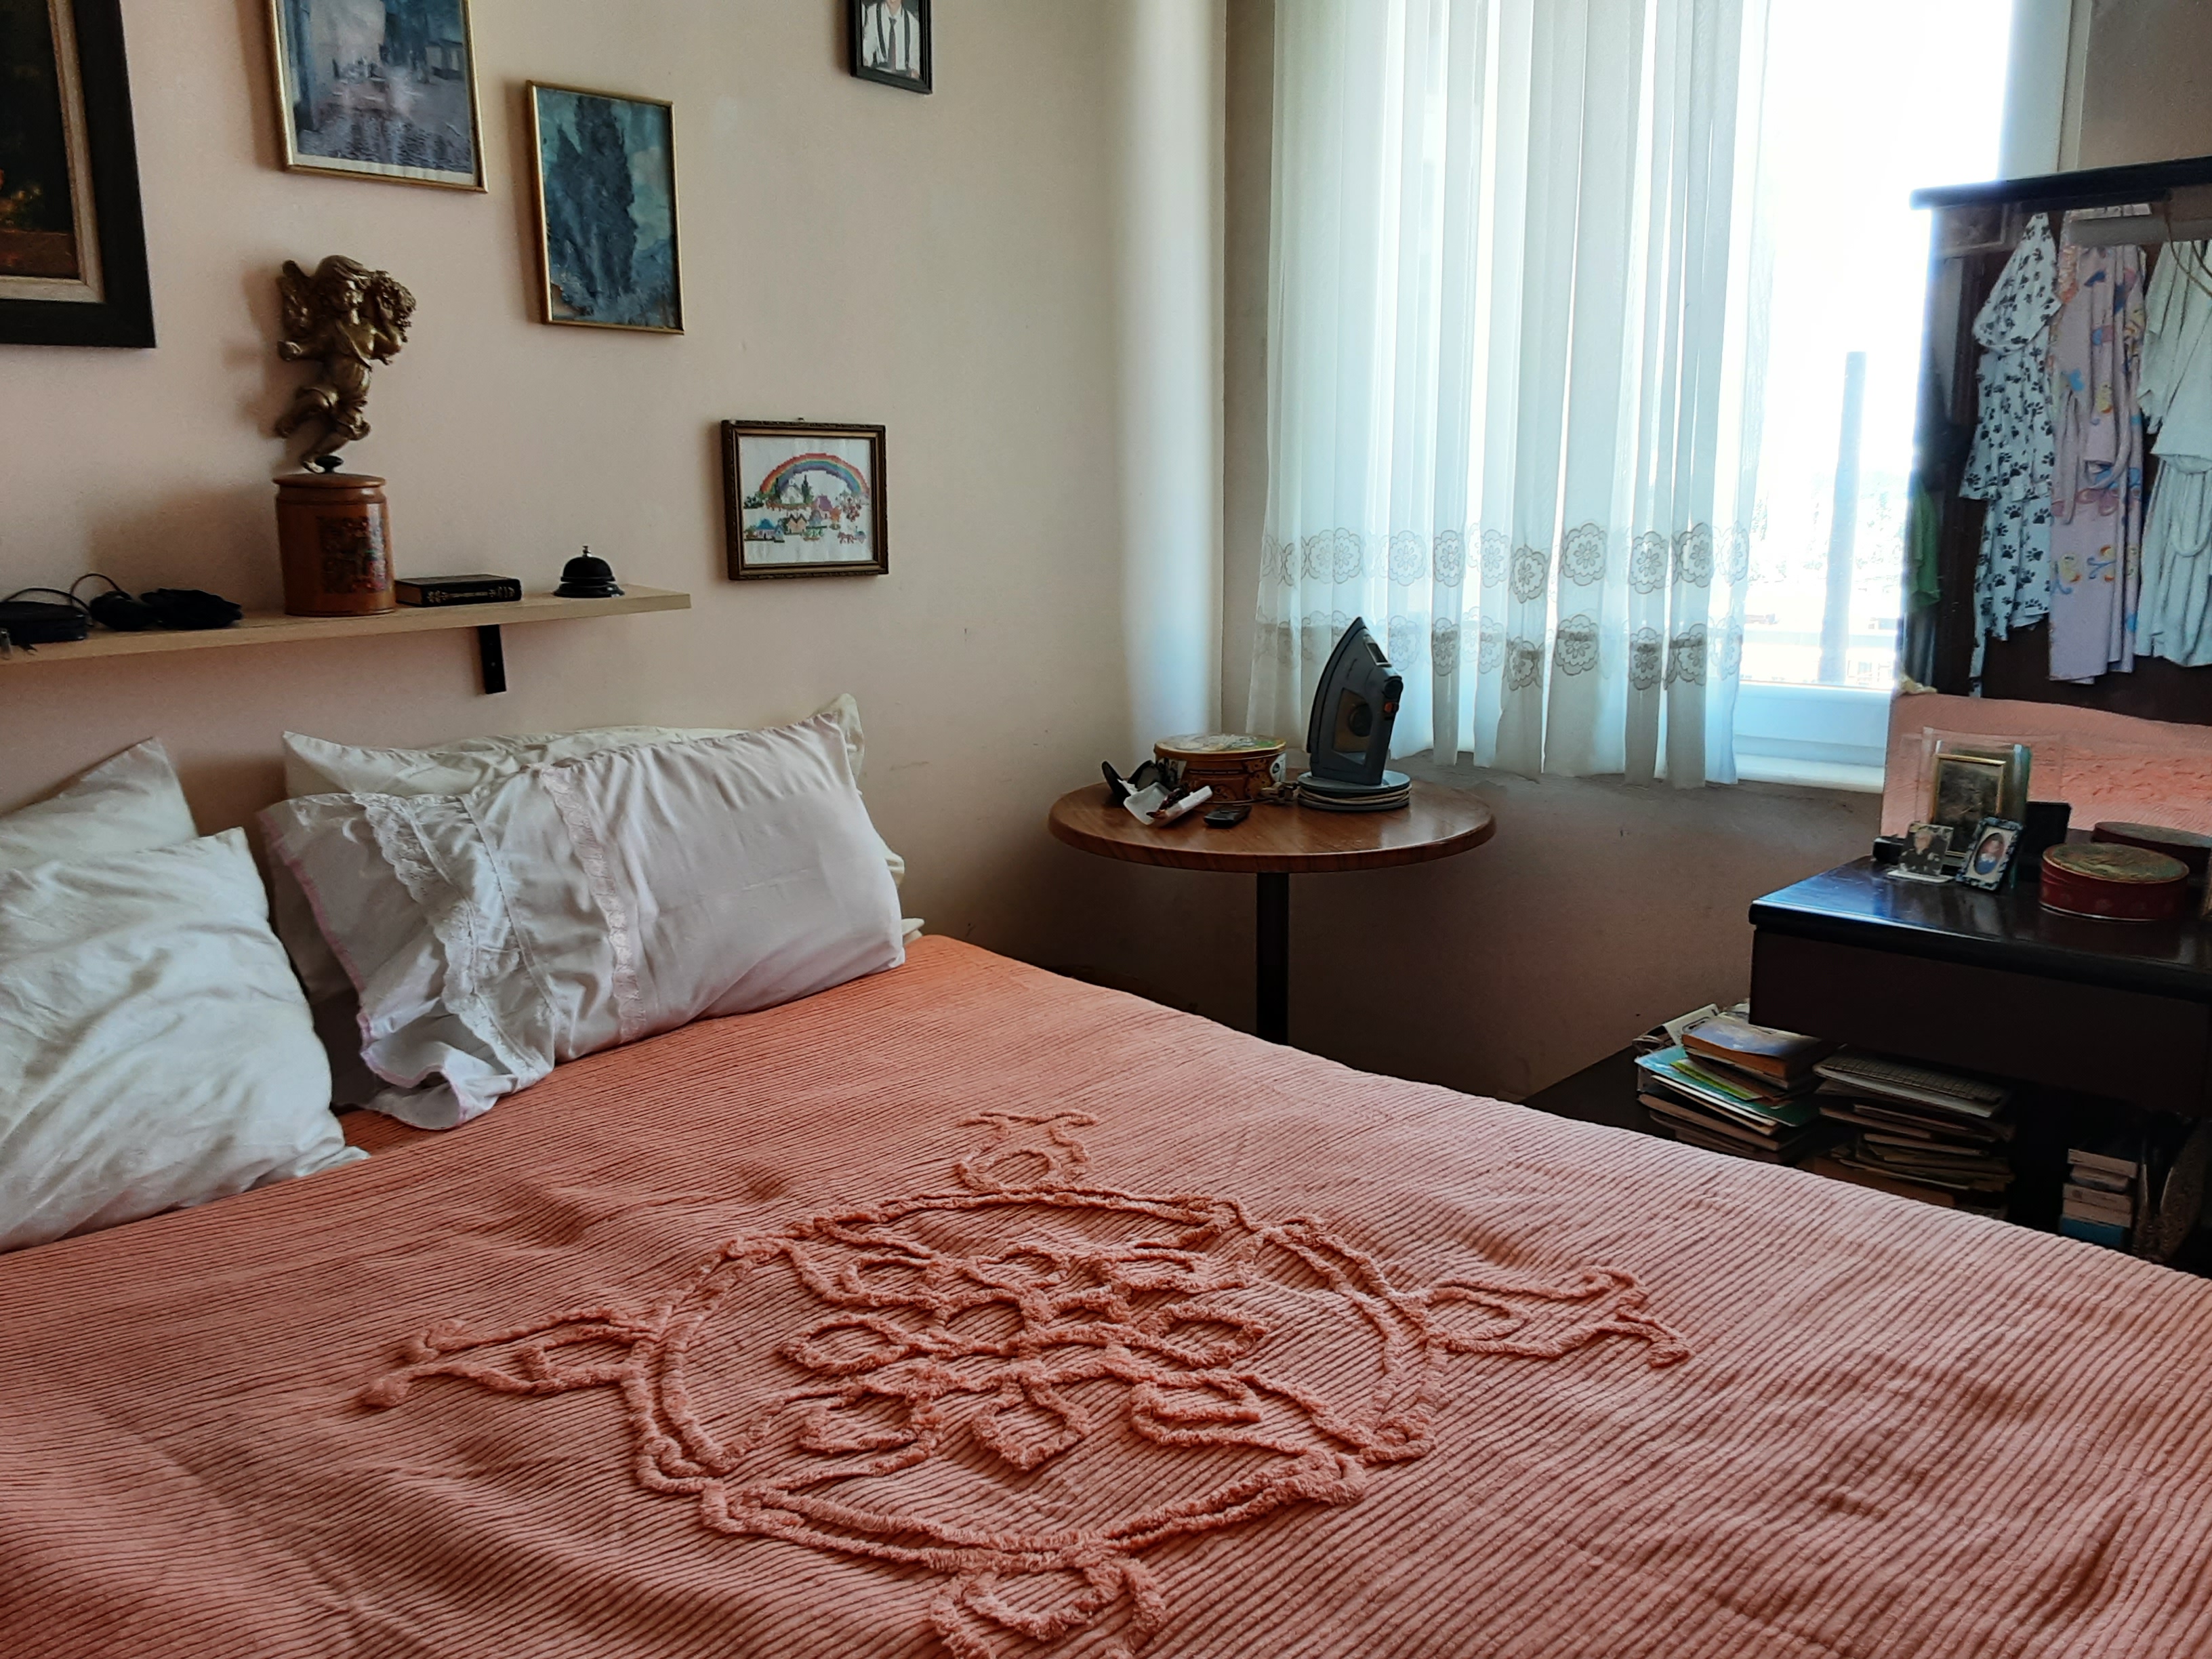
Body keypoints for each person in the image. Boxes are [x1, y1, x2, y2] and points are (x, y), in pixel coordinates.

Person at [860, 0, 924, 77]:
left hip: (904, 77)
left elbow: (915, 62)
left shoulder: (913, 24)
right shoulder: (873, 13)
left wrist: (913, 74)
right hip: (880, 74)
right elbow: (868, 47)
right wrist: (864, 62)